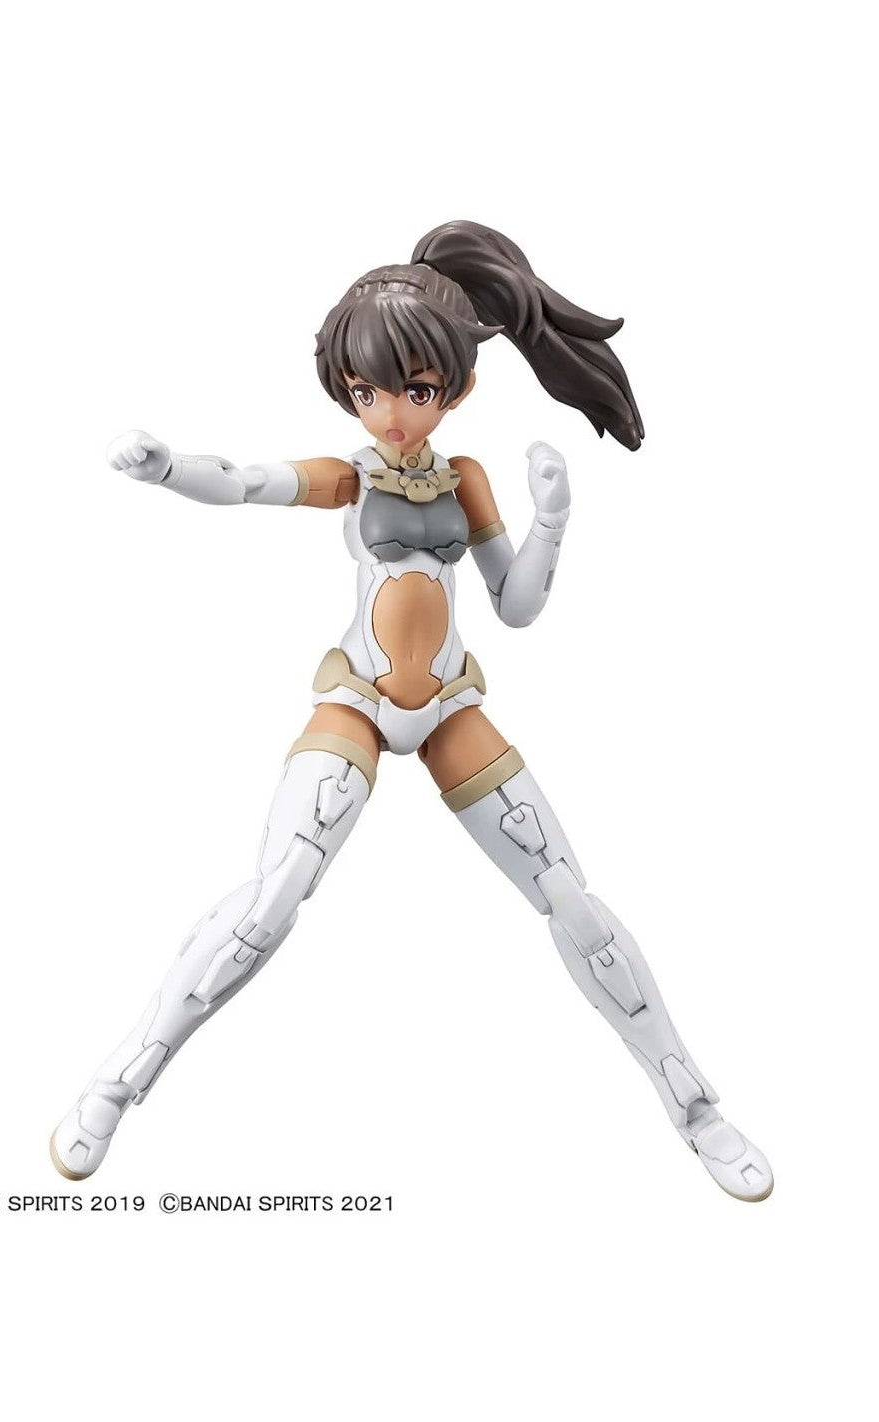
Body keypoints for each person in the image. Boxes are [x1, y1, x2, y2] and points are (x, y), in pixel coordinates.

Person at [51, 221, 773, 1201]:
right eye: (368, 391)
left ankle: (695, 1109)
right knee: (274, 892)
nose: (390, 413)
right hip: (357, 697)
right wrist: (167, 467)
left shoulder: (464, 479)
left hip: (448, 705)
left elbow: (516, 604)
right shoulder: (353, 475)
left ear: (455, 389)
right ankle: (117, 1083)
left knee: (568, 895)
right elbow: (249, 483)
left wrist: (553, 519)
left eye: (416, 390)